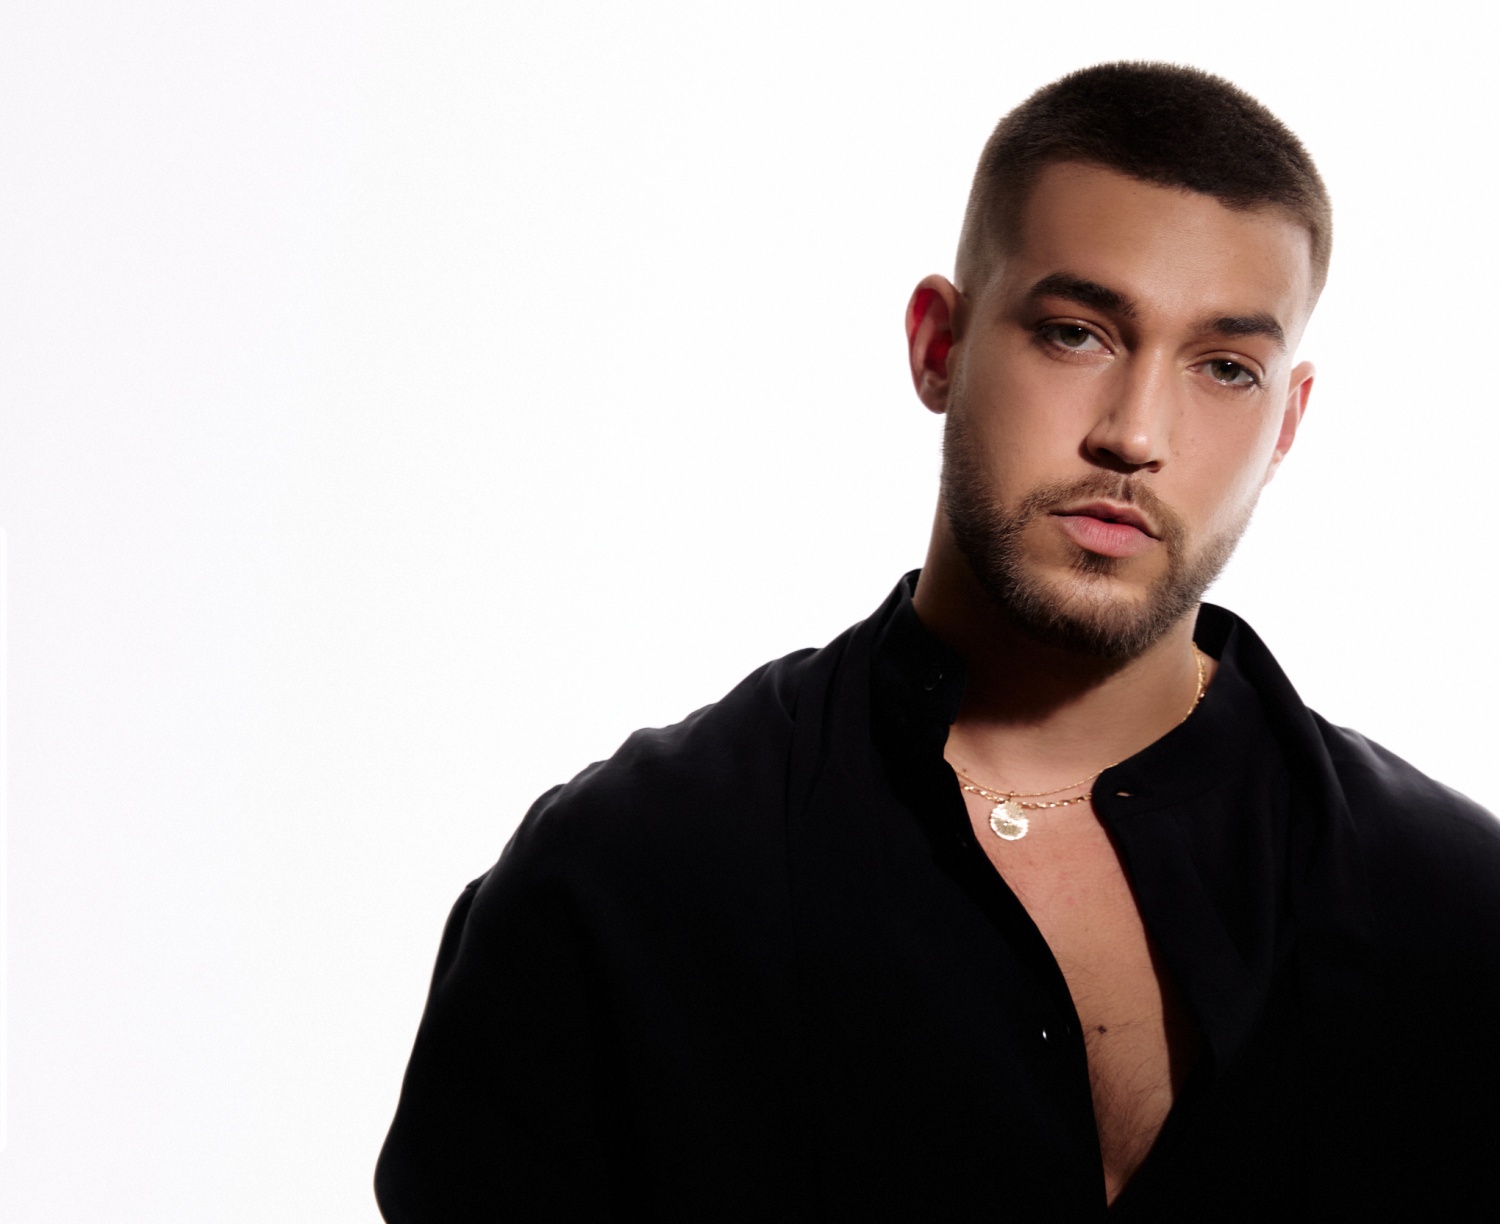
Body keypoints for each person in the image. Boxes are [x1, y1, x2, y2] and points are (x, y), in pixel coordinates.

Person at [375, 63, 1500, 1221]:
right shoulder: (626, 880)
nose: (1136, 434)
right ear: (939, 344)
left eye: (1225, 367)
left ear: (1287, 423)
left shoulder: (1456, 912)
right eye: (1076, 334)